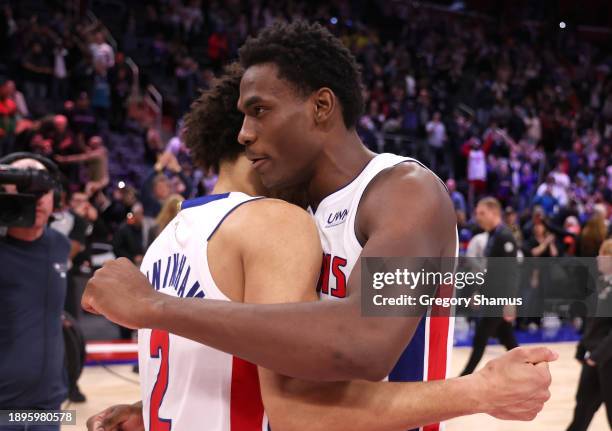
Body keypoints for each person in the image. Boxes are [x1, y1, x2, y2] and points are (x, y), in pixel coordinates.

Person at [83, 21, 555, 429]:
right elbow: (270, 361)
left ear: (321, 106)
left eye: (259, 110)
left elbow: (364, 344)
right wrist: (159, 405)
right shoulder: (284, 214)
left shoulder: (402, 192)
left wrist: (155, 307)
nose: (244, 132)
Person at [0, 155, 70, 430]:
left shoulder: (59, 245)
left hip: (48, 409)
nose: (37, 199)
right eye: (26, 188)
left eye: (43, 189)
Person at [461, 197, 520, 376]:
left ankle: (464, 378)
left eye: (482, 213)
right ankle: (531, 369)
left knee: (480, 339)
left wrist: (510, 302)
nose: (477, 217)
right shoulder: (493, 236)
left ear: (494, 213)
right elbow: (490, 271)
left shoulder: (504, 236)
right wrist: (478, 291)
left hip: (499, 298)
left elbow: (511, 272)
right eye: (477, 213)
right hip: (492, 295)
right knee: (509, 341)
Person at [567, 239, 612, 430]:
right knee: (582, 410)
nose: (598, 258)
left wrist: (597, 355)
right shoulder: (601, 284)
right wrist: (582, 347)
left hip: (607, 359)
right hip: (594, 358)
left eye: (603, 254)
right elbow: (593, 321)